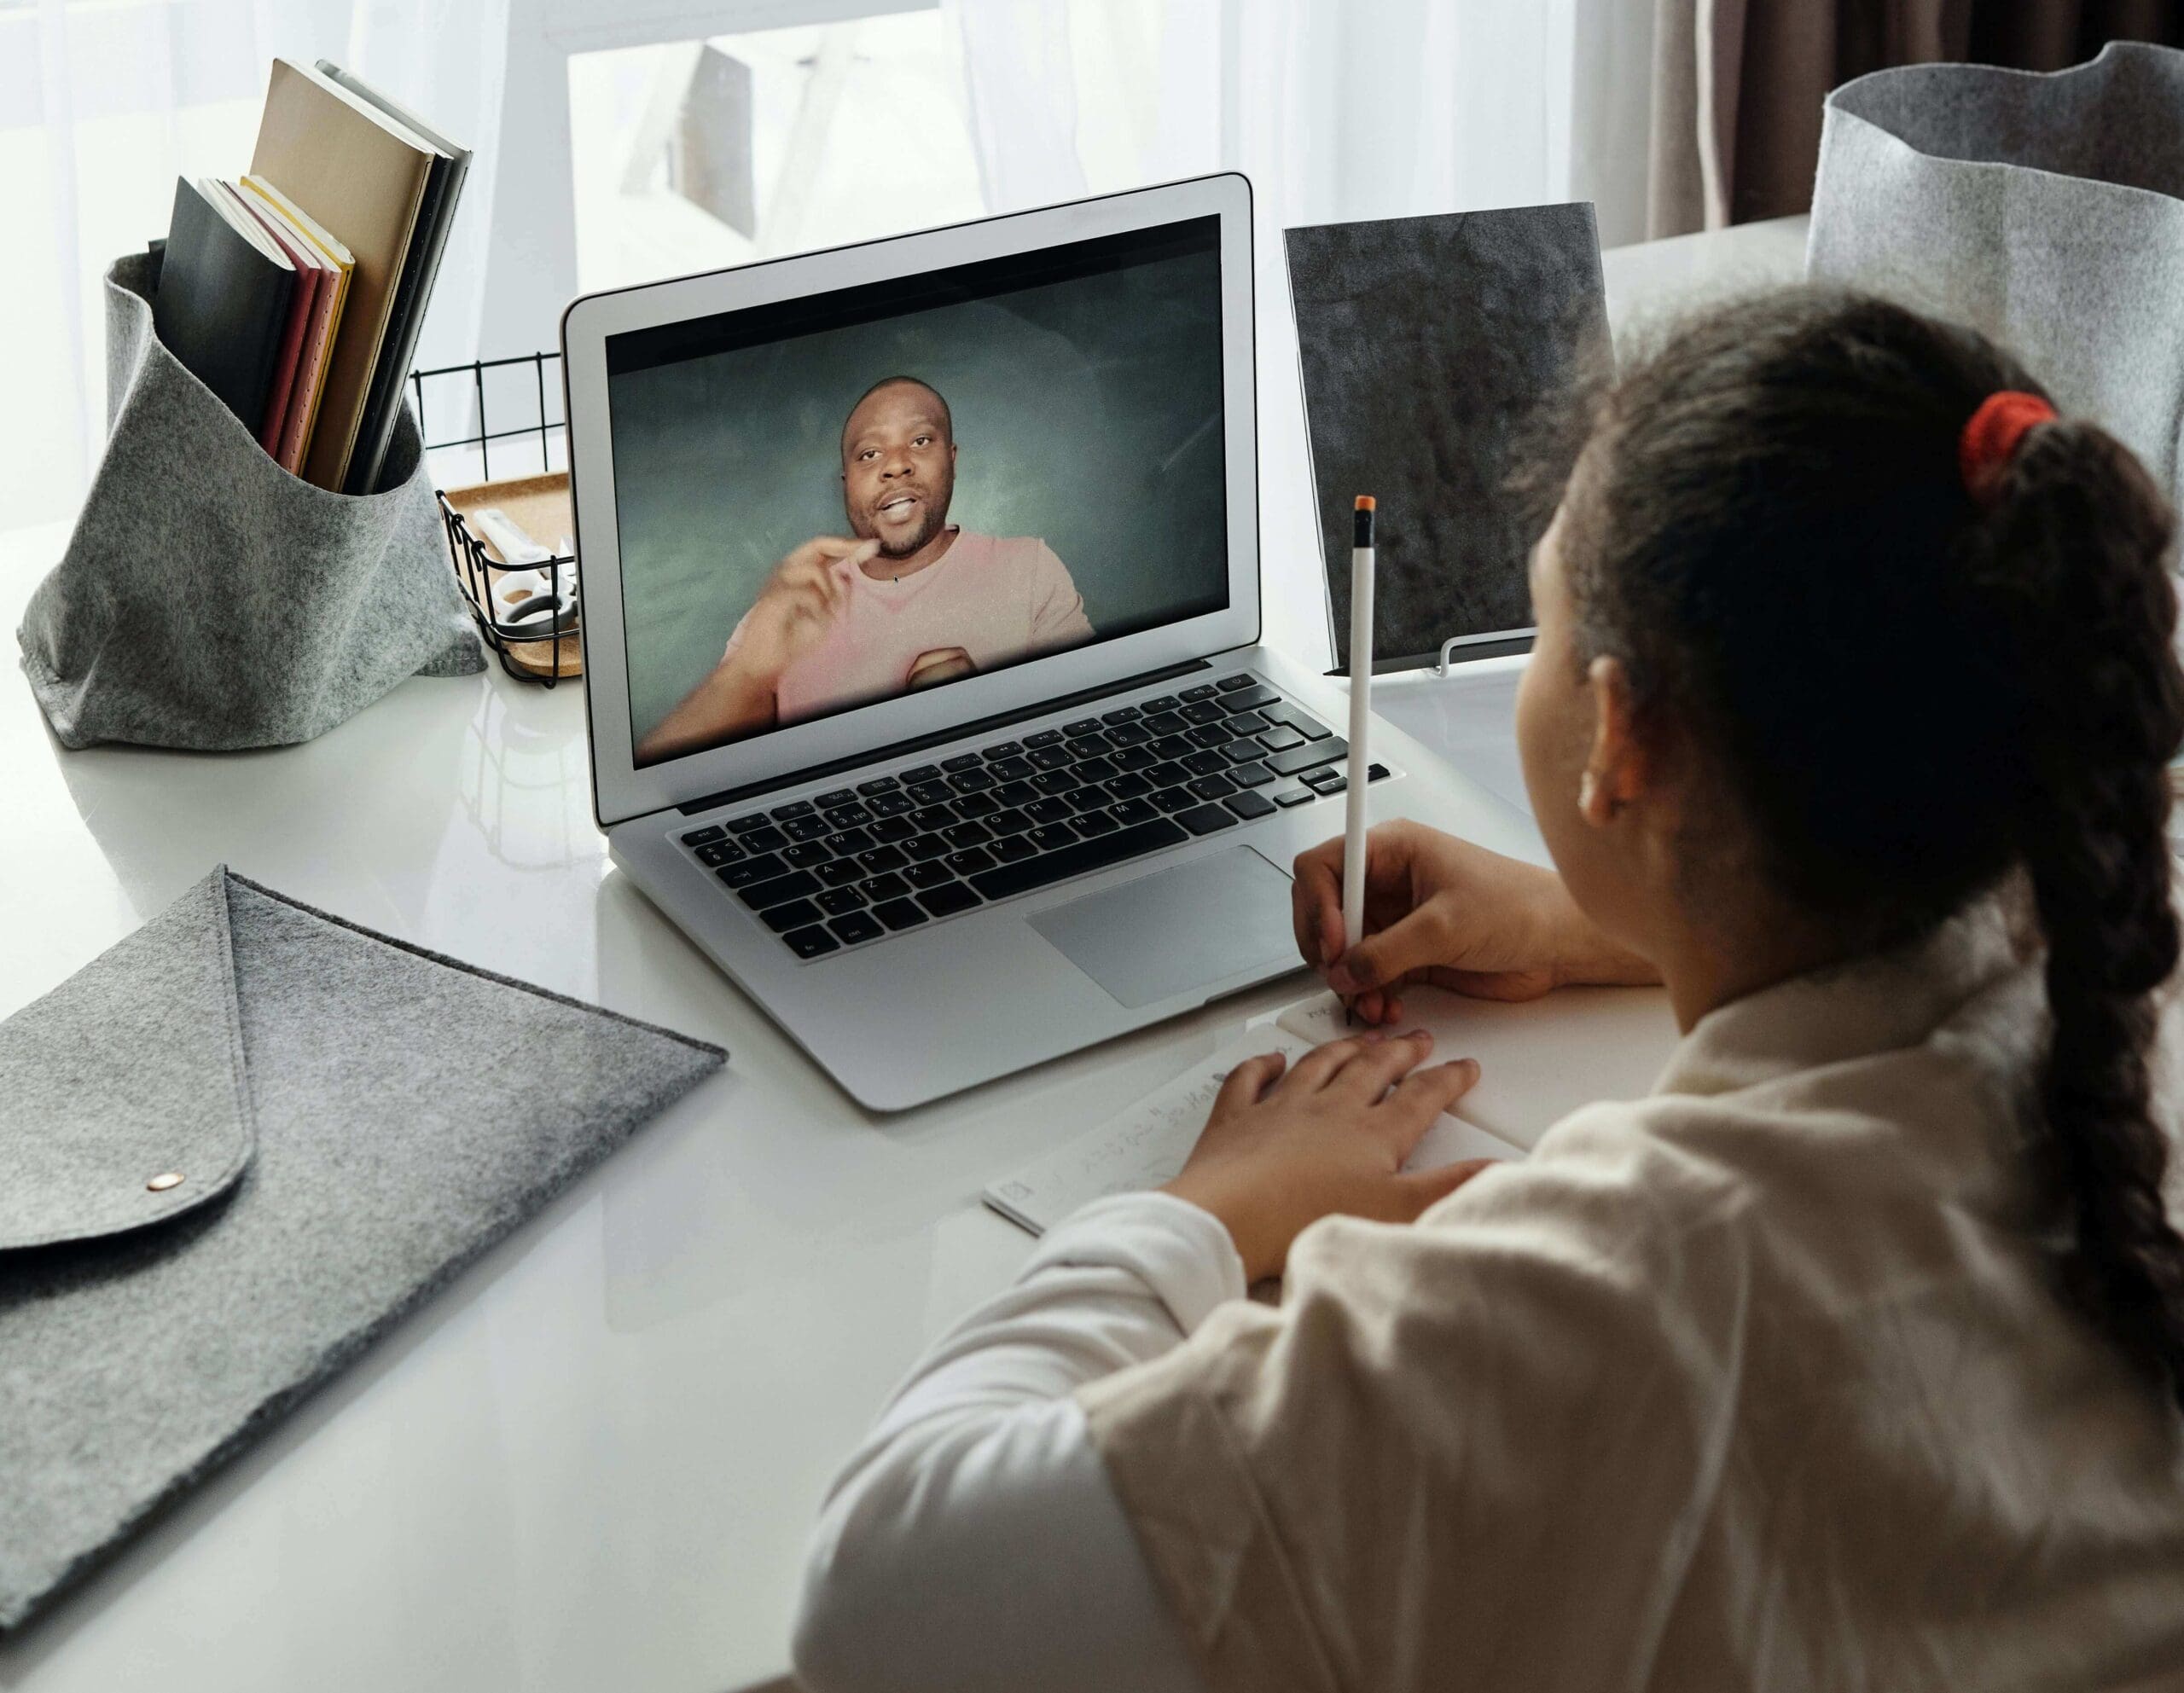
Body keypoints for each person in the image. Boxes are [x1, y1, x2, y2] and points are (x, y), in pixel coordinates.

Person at [790, 290, 2184, 1691]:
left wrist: (1206, 1208)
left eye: (1540, 620)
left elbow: (882, 1601)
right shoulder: (2126, 931)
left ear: (1621, 739)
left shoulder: (1597, 1314)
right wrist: (1608, 922)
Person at [635, 375, 1093, 761]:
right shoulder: (795, 603)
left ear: (951, 462)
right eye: (869, 454)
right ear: (845, 483)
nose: (896, 466)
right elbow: (666, 786)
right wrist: (748, 673)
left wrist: (975, 711)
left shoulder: (1029, 568)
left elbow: (1088, 745)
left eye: (920, 440)